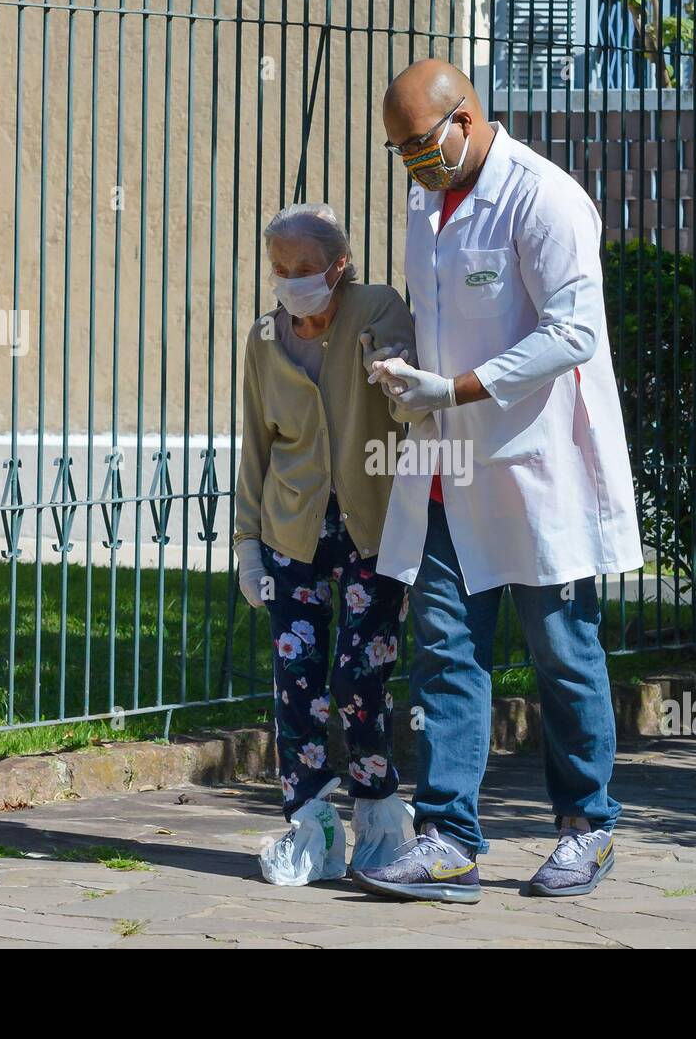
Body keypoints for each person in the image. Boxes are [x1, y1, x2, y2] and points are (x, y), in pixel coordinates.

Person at [352, 60, 644, 903]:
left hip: (536, 464)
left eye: (421, 143)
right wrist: (402, 363)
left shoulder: (544, 197)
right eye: (398, 150)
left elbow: (573, 333)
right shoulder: (424, 200)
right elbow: (436, 306)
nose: (412, 162)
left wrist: (457, 387)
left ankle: (586, 825)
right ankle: (447, 838)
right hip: (447, 464)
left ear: (468, 119)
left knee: (563, 649)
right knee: (444, 647)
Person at [234, 203, 417, 883]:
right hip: (292, 529)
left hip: (372, 525)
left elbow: (410, 407)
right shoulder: (262, 337)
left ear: (338, 264)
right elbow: (256, 442)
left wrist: (385, 366)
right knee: (296, 683)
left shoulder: (376, 309)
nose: (288, 282)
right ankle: (309, 822)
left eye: (303, 269)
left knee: (357, 679)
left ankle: (377, 815)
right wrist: (247, 544)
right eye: (279, 269)